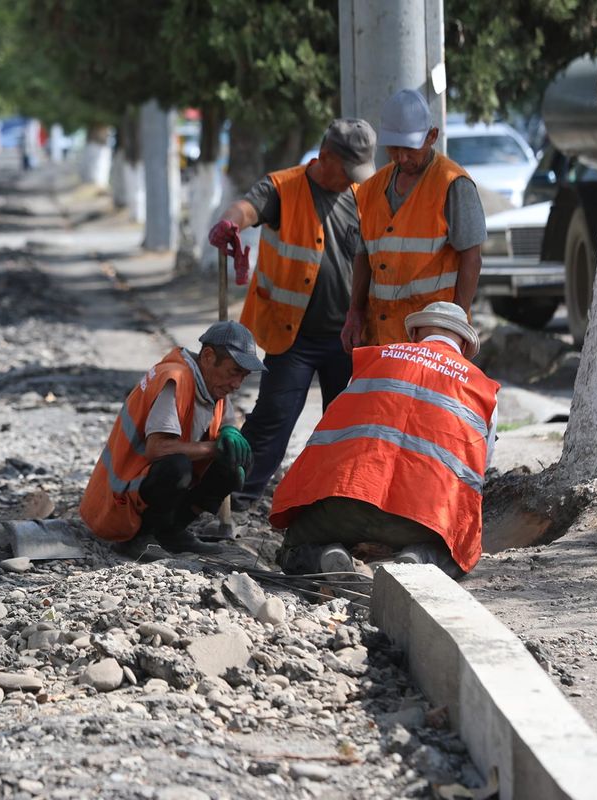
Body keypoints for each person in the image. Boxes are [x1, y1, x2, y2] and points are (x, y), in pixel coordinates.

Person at [208, 119, 377, 512]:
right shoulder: (283, 188)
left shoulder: (364, 195)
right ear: (326, 157)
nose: (353, 181)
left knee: (347, 427)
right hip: (294, 336)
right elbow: (248, 206)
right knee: (273, 420)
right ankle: (231, 498)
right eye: (348, 171)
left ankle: (339, 503)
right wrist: (230, 222)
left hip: (349, 336)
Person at [269, 301, 499, 579]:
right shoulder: (483, 388)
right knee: (459, 555)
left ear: (414, 336)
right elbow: (478, 472)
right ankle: (419, 557)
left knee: (293, 547)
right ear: (463, 347)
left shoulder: (371, 360)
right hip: (423, 518)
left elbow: (336, 434)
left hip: (347, 503)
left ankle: (324, 556)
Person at [80, 321, 264, 560]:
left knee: (236, 461)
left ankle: (171, 532)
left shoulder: (213, 385)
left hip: (140, 489)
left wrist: (231, 435)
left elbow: (227, 427)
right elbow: (158, 449)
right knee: (176, 466)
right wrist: (213, 448)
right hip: (116, 502)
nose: (237, 384)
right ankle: (138, 539)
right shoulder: (175, 379)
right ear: (208, 356)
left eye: (244, 376)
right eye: (234, 372)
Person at [341, 89, 486, 351]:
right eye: (394, 149)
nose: (402, 158)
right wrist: (355, 313)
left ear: (432, 137)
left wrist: (458, 325)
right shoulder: (371, 189)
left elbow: (471, 259)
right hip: (381, 335)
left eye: (409, 149)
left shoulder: (453, 184)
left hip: (433, 336)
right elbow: (363, 256)